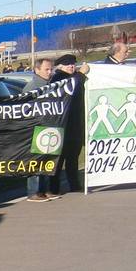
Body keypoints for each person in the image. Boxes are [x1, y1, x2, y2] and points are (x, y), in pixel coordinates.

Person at [22, 57, 59, 202]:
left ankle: (45, 190)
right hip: (36, 128)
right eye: (46, 69)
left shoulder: (51, 85)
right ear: (37, 70)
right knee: (36, 161)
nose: (50, 72)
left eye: (51, 69)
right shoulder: (32, 88)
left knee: (48, 160)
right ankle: (33, 191)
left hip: (50, 127)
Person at [50, 53, 88, 194]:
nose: (72, 66)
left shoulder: (73, 76)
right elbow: (72, 88)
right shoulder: (58, 78)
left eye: (73, 64)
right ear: (60, 66)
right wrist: (81, 74)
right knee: (59, 160)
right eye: (68, 64)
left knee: (73, 157)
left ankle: (74, 184)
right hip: (63, 125)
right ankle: (54, 188)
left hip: (74, 124)